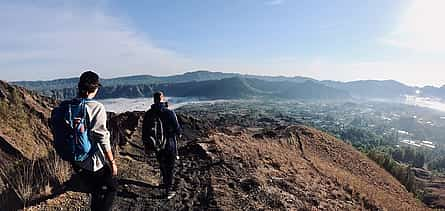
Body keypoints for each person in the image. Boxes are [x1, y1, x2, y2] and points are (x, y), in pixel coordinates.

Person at [72, 71, 118, 211]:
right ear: (95, 88)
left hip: (75, 158)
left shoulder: (69, 105)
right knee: (112, 187)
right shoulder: (96, 107)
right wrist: (112, 162)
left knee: (96, 191)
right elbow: (102, 138)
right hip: (92, 162)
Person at [142, 91, 181, 199]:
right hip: (170, 144)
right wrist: (178, 133)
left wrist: (147, 146)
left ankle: (165, 183)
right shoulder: (169, 112)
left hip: (157, 145)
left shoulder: (149, 114)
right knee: (170, 168)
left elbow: (144, 131)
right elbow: (177, 129)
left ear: (154, 100)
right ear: (162, 98)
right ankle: (168, 191)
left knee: (162, 165)